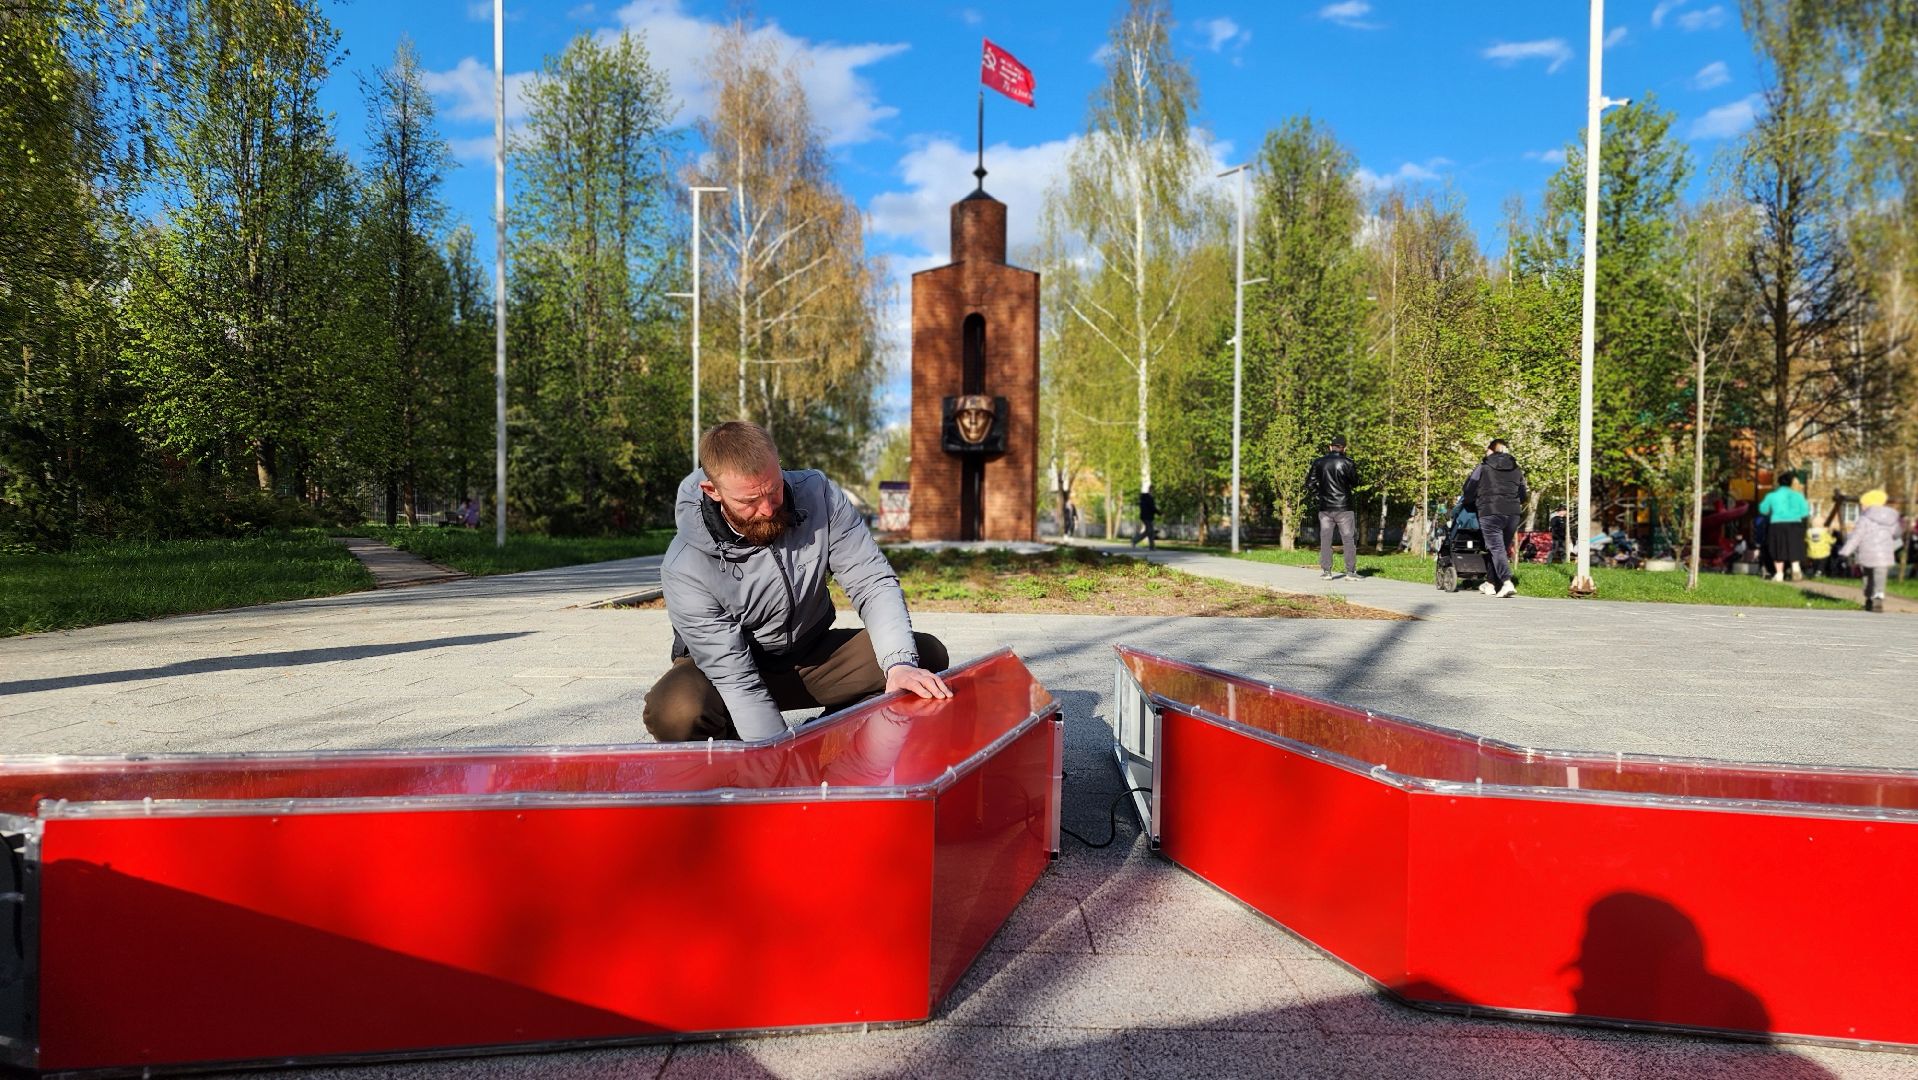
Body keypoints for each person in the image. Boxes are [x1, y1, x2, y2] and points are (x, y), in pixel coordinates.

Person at [643, 421, 951, 742]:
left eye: (773, 490)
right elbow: (736, 679)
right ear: (713, 491)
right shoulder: (686, 564)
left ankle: (827, 738)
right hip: (724, 673)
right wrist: (776, 759)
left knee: (921, 657)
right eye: (749, 501)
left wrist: (899, 663)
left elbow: (872, 581)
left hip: (809, 656)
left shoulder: (820, 495)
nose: (766, 509)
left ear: (778, 463)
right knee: (676, 710)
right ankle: (734, 759)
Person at [1461, 438, 1528, 598]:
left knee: (1496, 548)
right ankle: (1490, 584)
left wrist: (1470, 502)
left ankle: (1506, 582)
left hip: (1490, 511)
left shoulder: (1483, 467)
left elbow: (1469, 488)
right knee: (1499, 550)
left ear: (1491, 450)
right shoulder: (1517, 469)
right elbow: (1523, 494)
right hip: (1512, 513)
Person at [1839, 489, 1905, 613]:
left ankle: (1869, 597)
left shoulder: (1864, 519)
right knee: (1880, 576)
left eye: (1863, 504)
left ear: (1869, 504)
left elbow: (1856, 537)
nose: (1862, 507)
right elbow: (1897, 534)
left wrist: (1845, 551)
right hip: (1884, 556)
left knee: (1867, 576)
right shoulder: (1891, 518)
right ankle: (1878, 596)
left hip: (1866, 554)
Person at [1305, 435, 1360, 580]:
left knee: (1325, 539)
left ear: (1330, 447)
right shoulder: (1348, 463)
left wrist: (1320, 496)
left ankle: (1326, 572)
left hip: (1325, 509)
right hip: (1344, 507)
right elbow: (1355, 482)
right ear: (1344, 448)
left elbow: (1309, 484)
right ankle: (1350, 572)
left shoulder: (1318, 462)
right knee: (1348, 540)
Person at [1757, 471, 1809, 582]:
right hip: (1795, 523)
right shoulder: (1798, 496)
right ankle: (1796, 568)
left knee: (1778, 548)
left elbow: (1763, 509)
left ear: (1779, 483)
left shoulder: (1772, 495)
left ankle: (1779, 574)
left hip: (1777, 524)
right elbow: (1805, 512)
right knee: (1794, 546)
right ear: (1791, 483)